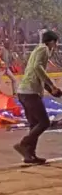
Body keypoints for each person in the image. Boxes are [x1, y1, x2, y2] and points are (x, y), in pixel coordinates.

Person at [15, 30, 62, 164]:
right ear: (52, 42)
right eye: (56, 43)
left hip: (24, 91)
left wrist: (50, 89)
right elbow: (37, 68)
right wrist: (51, 85)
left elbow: (35, 71)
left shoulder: (37, 49)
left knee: (34, 124)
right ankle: (23, 144)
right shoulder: (44, 49)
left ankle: (29, 155)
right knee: (44, 122)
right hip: (30, 92)